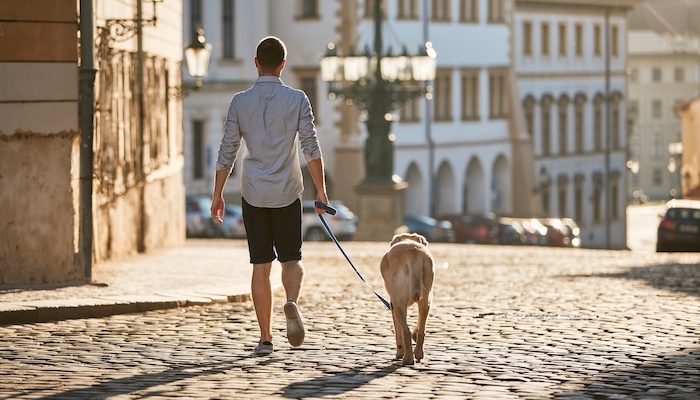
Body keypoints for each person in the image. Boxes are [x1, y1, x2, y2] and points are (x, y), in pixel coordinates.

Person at [210, 36, 329, 356]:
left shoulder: (240, 101)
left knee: (260, 265)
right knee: (292, 259)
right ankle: (291, 301)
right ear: (283, 65)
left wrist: (218, 194)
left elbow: (227, 152)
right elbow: (310, 148)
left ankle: (265, 337)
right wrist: (321, 191)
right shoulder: (298, 99)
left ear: (255, 63)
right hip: (288, 193)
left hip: (253, 193)